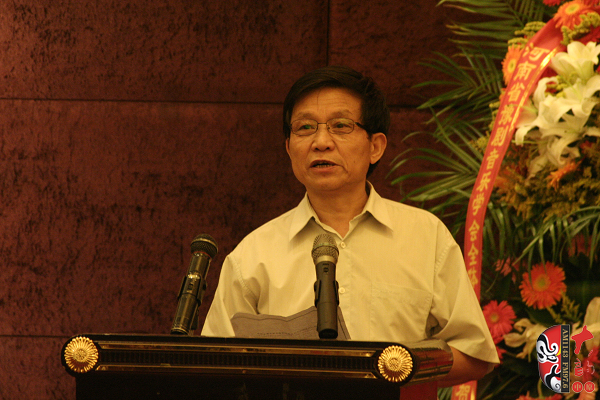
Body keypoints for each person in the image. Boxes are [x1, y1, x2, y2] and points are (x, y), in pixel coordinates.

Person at [201, 65, 499, 386]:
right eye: (305, 128)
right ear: (288, 148)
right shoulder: (252, 255)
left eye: (341, 125)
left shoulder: (425, 236)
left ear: (375, 147)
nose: (321, 142)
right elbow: (211, 364)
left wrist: (396, 367)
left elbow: (474, 354)